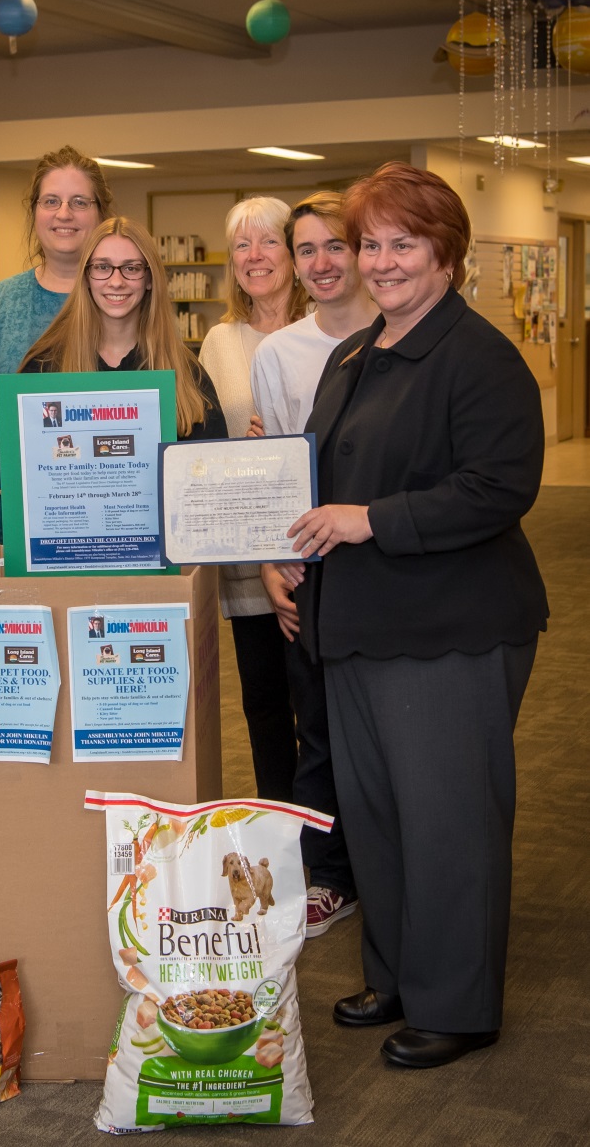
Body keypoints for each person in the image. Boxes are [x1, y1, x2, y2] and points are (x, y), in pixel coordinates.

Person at [281, 162, 548, 1068]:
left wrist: (368, 520)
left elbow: (499, 488)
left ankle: (457, 1002)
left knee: (447, 820)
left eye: (405, 244)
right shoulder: (361, 353)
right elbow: (330, 474)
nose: (382, 261)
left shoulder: (477, 356)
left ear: (445, 254)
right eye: (370, 244)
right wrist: (291, 536)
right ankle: (397, 974)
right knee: (378, 813)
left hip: (449, 630)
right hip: (357, 622)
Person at [250, 192, 378, 938]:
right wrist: (272, 563)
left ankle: (386, 867)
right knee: (318, 728)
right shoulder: (279, 352)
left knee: (384, 726)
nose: (323, 263)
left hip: (383, 550)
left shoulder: (398, 334)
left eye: (336, 246)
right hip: (309, 564)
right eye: (307, 250)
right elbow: (274, 469)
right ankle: (328, 875)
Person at [198, 197, 306, 804]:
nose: (255, 256)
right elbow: (213, 441)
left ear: (293, 253)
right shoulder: (219, 340)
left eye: (269, 242)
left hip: (320, 545)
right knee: (264, 705)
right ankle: (283, 835)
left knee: (321, 706)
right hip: (249, 552)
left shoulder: (334, 326)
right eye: (242, 245)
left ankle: (335, 850)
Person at [0, 147, 113, 542]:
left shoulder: (125, 296)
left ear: (101, 212)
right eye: (51, 201)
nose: (64, 214)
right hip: (11, 520)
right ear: (34, 210)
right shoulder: (2, 303)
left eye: (79, 202)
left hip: (107, 519)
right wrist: (15, 477)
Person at [20, 216, 227, 442]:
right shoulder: (44, 367)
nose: (116, 281)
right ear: (86, 277)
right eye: (102, 267)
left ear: (149, 278)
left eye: (131, 268)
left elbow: (210, 464)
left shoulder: (187, 374)